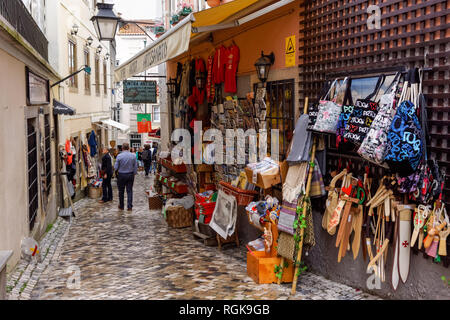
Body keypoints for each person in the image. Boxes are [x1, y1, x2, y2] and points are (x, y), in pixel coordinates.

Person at [114, 142, 137, 211]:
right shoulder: (133, 156)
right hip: (130, 174)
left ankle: (121, 205)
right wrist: (134, 173)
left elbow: (115, 167)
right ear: (129, 148)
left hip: (121, 175)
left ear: (122, 148)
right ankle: (129, 206)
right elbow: (135, 166)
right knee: (129, 190)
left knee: (121, 191)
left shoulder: (119, 156)